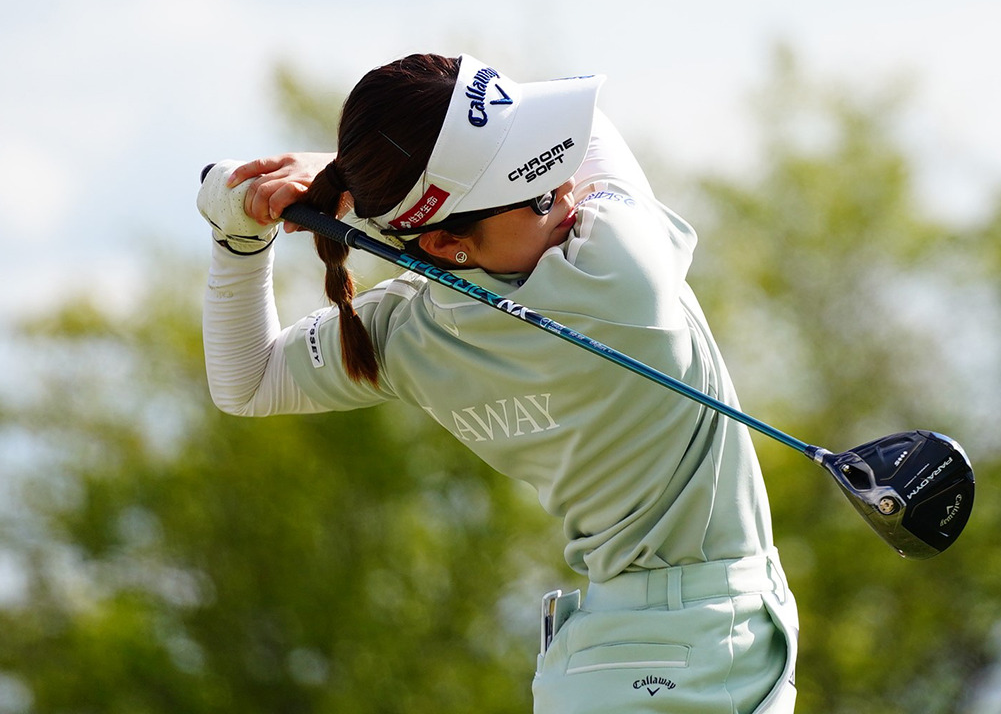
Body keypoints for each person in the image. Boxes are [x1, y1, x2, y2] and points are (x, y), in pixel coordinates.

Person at [197, 52, 799, 713]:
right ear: (446, 246)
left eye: (555, 165)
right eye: (538, 192)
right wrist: (338, 175)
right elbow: (591, 124)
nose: (566, 191)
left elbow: (246, 380)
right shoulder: (617, 268)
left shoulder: (408, 334)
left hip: (620, 656)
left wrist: (242, 235)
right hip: (690, 647)